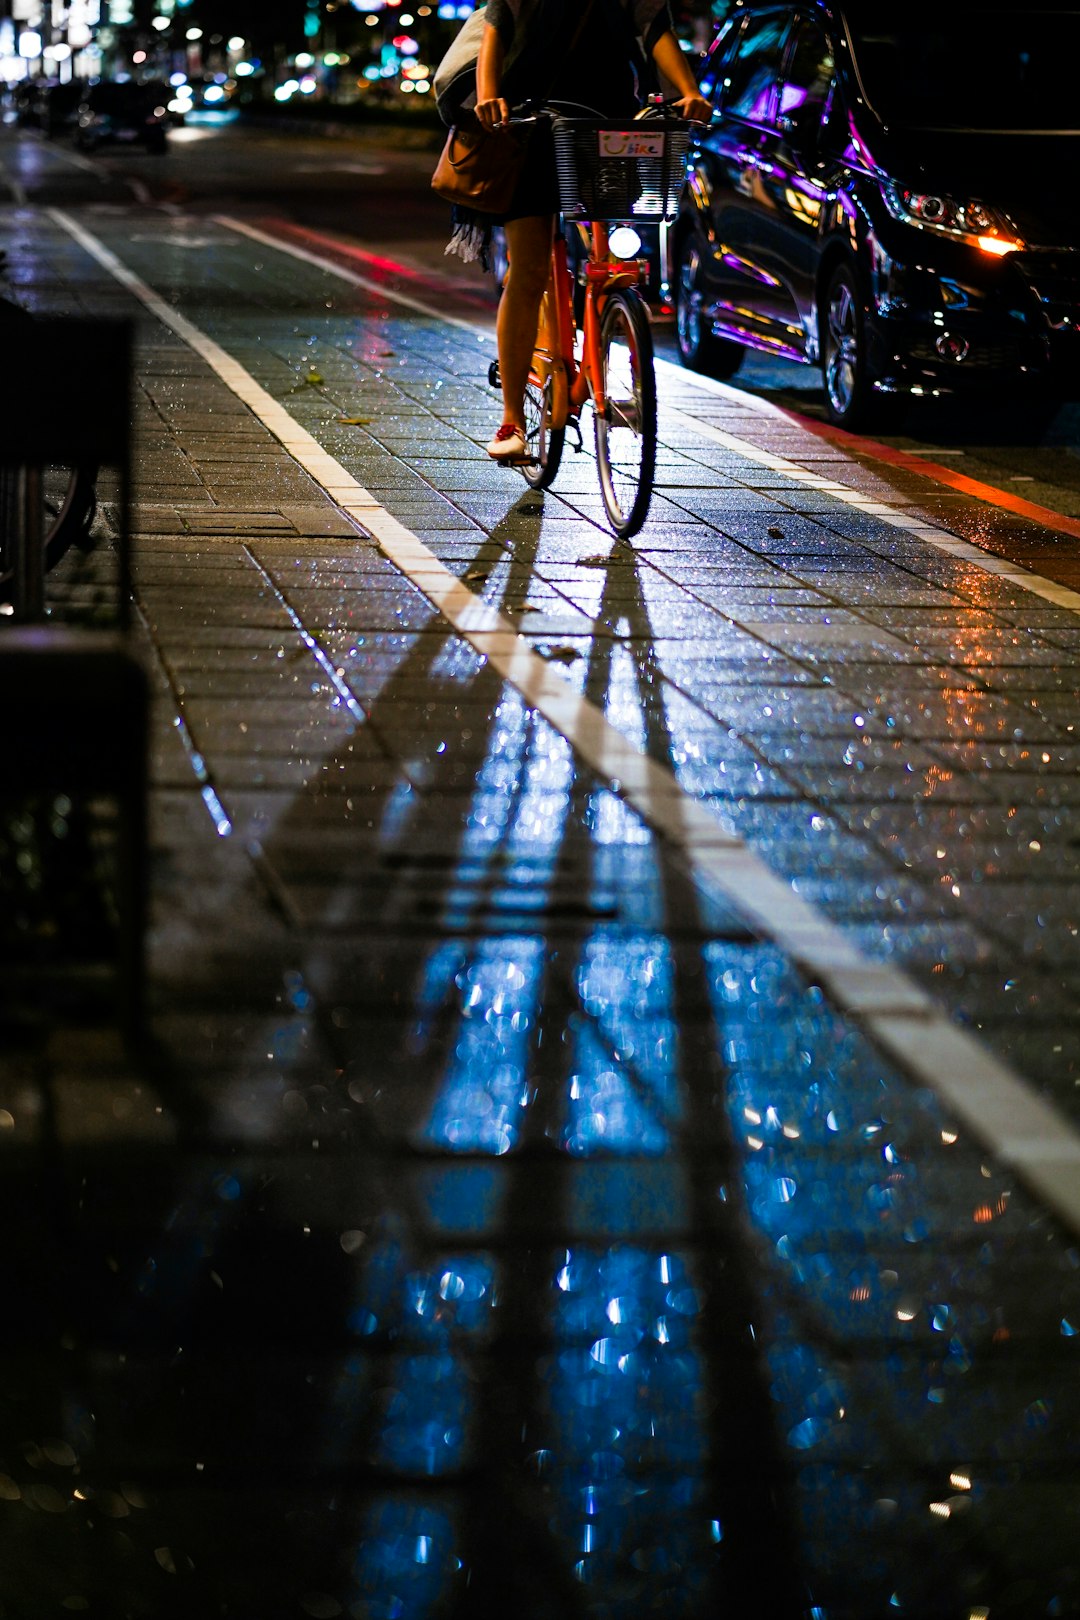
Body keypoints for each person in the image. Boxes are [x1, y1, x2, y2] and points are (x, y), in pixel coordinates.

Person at [473, 0, 712, 461]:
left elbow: (656, 30)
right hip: (529, 125)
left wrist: (688, 89)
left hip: (607, 125)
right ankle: (511, 420)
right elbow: (494, 35)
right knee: (526, 271)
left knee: (605, 255)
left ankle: (603, 332)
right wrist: (488, 97)